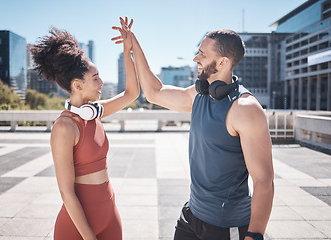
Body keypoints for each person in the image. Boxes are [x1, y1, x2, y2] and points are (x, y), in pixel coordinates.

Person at [112, 17, 274, 240]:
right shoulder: (200, 94)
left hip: (225, 226)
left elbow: (264, 180)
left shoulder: (245, 108)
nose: (195, 58)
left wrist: (254, 235)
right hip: (192, 215)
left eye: (203, 54)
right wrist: (134, 47)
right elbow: (154, 92)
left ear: (223, 62)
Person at [31, 19, 138, 240]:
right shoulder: (64, 127)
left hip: (109, 215)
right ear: (77, 85)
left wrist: (127, 50)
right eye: (95, 78)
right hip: (77, 228)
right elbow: (66, 192)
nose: (101, 83)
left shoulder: (95, 113)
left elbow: (131, 94)